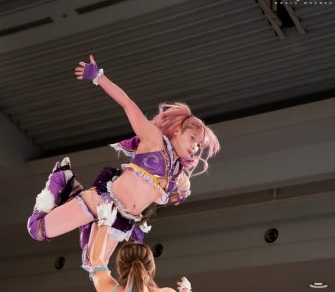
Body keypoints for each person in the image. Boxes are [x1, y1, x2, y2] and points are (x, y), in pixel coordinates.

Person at [27, 55, 220, 271]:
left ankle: (75, 196)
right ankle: (61, 179)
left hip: (120, 219)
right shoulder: (154, 140)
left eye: (199, 145)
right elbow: (128, 104)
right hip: (102, 201)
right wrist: (98, 77)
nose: (195, 148)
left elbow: (170, 195)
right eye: (192, 139)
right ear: (177, 130)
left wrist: (181, 191)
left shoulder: (178, 174)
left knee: (93, 266)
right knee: (37, 230)